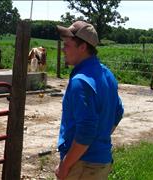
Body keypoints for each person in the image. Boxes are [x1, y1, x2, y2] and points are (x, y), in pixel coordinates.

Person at [54, 21, 124, 180]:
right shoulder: (107, 75)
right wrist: (101, 137)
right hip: (101, 161)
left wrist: (65, 166)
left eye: (67, 45)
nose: (63, 49)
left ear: (83, 47)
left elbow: (86, 131)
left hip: (82, 165)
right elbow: (118, 111)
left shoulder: (81, 81)